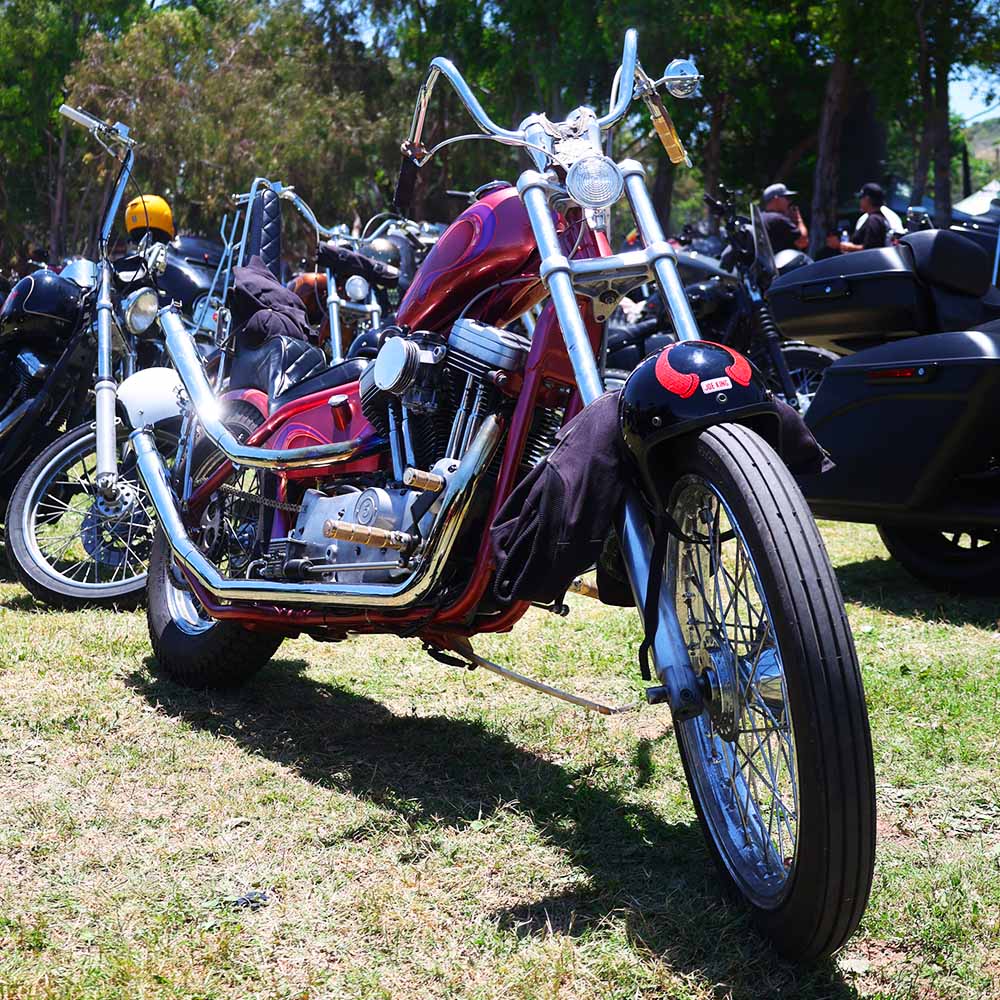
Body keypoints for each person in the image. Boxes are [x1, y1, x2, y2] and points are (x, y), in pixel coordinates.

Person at [828, 183, 890, 253]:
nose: (860, 201)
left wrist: (847, 246)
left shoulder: (874, 220)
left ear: (867, 199)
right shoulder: (880, 218)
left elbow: (871, 249)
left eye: (861, 198)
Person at [761, 182, 809, 252]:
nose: (789, 201)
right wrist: (798, 219)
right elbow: (803, 242)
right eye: (786, 198)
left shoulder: (761, 217)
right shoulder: (778, 219)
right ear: (776, 199)